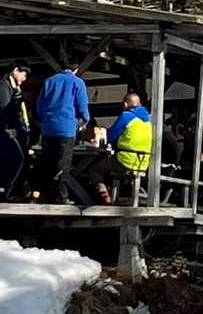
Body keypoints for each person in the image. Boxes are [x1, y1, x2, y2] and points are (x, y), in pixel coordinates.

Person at [35, 59, 90, 204]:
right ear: (76, 70)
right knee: (62, 165)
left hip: (48, 128)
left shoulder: (49, 81)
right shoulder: (78, 82)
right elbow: (82, 107)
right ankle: (61, 197)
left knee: (48, 163)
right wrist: (84, 120)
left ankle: (45, 195)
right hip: (66, 129)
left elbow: (39, 107)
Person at [86, 92, 153, 205]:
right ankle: (112, 195)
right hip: (143, 163)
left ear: (125, 104)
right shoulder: (147, 121)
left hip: (125, 160)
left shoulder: (126, 116)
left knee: (94, 169)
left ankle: (104, 196)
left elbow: (111, 136)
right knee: (108, 167)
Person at [0, 62, 31, 201]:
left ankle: (12, 190)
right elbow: (4, 108)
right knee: (18, 158)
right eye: (23, 74)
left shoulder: (14, 87)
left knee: (14, 160)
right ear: (15, 70)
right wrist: (8, 128)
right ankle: (9, 192)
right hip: (7, 130)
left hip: (15, 129)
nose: (24, 78)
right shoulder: (4, 86)